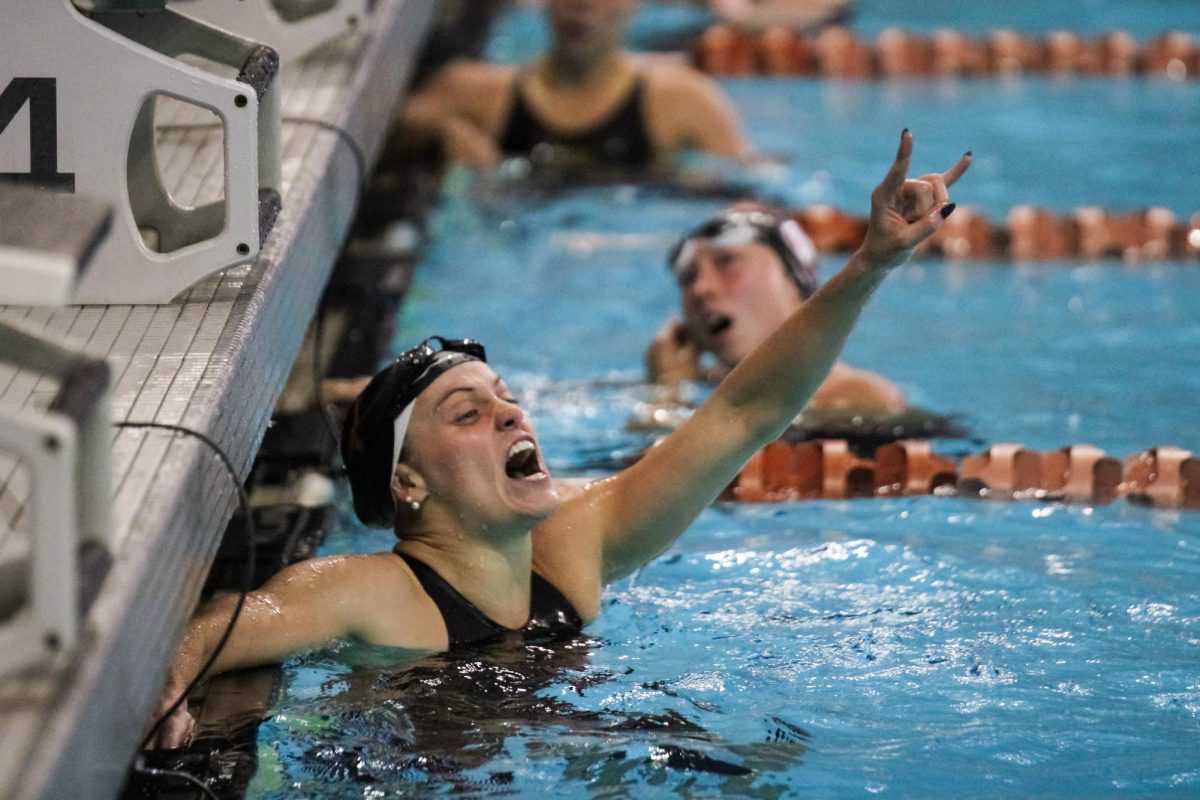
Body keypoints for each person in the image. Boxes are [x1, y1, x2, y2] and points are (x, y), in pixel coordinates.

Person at [149, 131, 968, 749]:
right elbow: (231, 618)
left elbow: (743, 415)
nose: (513, 417)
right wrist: (174, 681)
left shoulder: (575, 547)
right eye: (467, 415)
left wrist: (868, 267)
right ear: (409, 485)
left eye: (506, 401)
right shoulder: (370, 591)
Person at [644, 194, 957, 414]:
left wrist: (667, 403)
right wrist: (669, 389)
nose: (699, 289)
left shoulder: (857, 399)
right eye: (687, 277)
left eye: (728, 262)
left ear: (794, 282)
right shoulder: (695, 391)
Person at [398, 0, 749, 168]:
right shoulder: (479, 92)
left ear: (634, 6)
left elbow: (752, 192)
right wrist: (443, 128)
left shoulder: (682, 100)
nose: (580, 6)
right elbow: (381, 133)